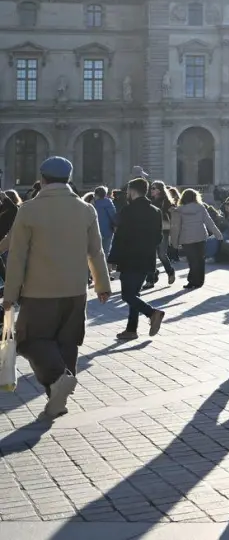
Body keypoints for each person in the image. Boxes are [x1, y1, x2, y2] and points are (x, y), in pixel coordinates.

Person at [0, 157, 112, 418]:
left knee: (29, 340)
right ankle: (57, 401)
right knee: (67, 343)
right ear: (68, 179)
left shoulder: (29, 209)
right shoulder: (85, 209)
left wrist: (10, 295)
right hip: (75, 290)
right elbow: (95, 251)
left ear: (42, 179)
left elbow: (17, 255)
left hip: (39, 292)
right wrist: (102, 285)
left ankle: (60, 379)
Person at [108, 178, 167, 341]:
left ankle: (152, 313)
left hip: (130, 258)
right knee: (134, 294)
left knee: (127, 295)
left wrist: (112, 259)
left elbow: (120, 237)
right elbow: (159, 237)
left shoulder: (128, 211)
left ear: (132, 191)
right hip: (146, 258)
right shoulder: (155, 211)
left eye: (128, 191)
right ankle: (131, 329)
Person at [172, 188, 222, 289]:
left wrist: (174, 242)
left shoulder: (179, 210)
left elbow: (176, 227)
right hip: (200, 236)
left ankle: (191, 281)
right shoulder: (201, 207)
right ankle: (199, 281)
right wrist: (218, 235)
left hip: (186, 238)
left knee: (192, 260)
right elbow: (209, 222)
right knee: (200, 259)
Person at [92, 187, 117, 261]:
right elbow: (113, 215)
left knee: (96, 252)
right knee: (106, 252)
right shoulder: (109, 202)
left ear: (96, 195)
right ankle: (105, 269)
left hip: (95, 232)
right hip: (108, 231)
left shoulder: (93, 204)